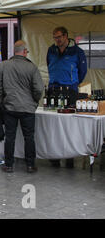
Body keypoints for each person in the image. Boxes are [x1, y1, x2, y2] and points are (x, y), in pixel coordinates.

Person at [0, 40, 44, 173]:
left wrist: (0, 102)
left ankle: (9, 165)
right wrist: (34, 102)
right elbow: (39, 88)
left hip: (9, 107)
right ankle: (30, 165)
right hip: (27, 108)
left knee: (10, 136)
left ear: (14, 51)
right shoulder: (31, 67)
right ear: (24, 52)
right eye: (27, 51)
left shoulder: (3, 65)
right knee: (29, 137)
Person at [47, 26, 87, 168]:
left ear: (66, 36)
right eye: (55, 37)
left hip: (70, 91)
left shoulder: (77, 52)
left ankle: (69, 155)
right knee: (53, 124)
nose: (56, 40)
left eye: (58, 37)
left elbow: (82, 72)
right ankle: (54, 156)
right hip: (54, 90)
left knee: (69, 124)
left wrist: (72, 83)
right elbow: (49, 65)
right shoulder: (51, 50)